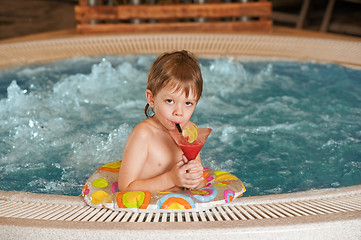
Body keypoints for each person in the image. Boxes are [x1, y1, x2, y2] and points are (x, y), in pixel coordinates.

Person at [118, 50, 206, 192]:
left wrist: (195, 180)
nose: (179, 112)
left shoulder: (190, 131)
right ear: (151, 99)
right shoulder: (144, 134)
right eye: (170, 101)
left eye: (188, 103)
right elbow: (125, 188)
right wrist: (170, 179)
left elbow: (198, 185)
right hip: (146, 211)